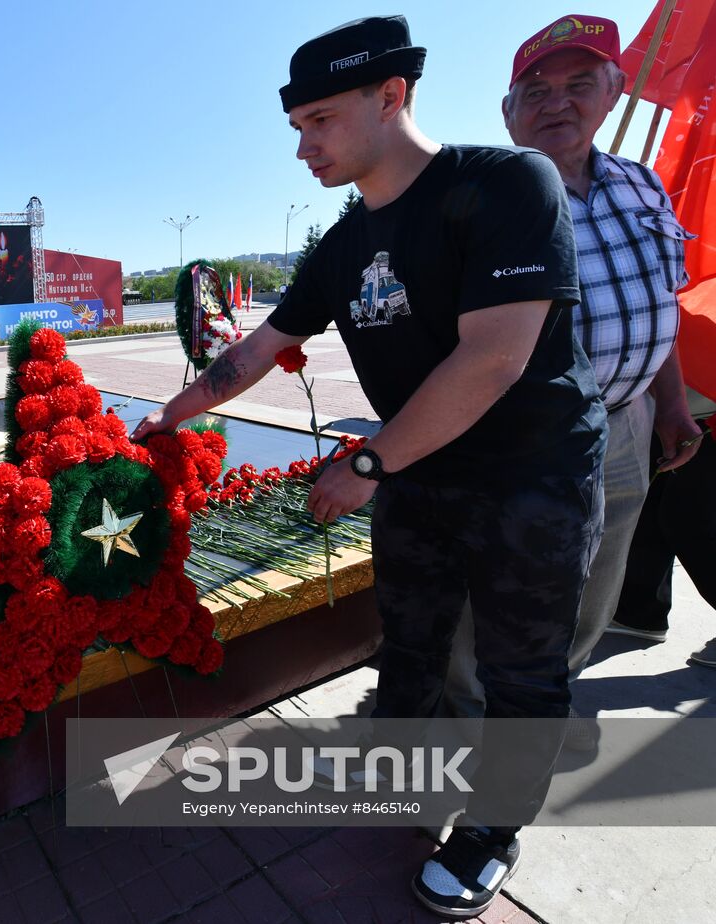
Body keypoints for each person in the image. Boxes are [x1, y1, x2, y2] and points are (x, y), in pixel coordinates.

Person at [132, 16, 605, 918]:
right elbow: (259, 348)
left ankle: (490, 831)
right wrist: (169, 413)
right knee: (412, 640)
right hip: (418, 480)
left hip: (527, 475)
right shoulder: (346, 241)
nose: (303, 146)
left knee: (523, 673)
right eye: (297, 127)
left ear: (391, 98)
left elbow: (494, 357)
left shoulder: (508, 182)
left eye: (319, 120)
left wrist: (368, 464)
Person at [443, 14, 702, 747]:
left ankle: (544, 700)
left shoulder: (642, 186)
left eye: (578, 84)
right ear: (508, 112)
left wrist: (673, 405)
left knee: (597, 582)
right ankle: (464, 720)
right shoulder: (482, 204)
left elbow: (661, 302)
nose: (557, 102)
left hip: (626, 425)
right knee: (490, 591)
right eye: (536, 90)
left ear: (614, 91)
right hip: (524, 436)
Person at [612, 387, 715, 661]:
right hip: (682, 396)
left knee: (690, 518)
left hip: (706, 405)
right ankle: (639, 609)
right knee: (652, 493)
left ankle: (639, 608)